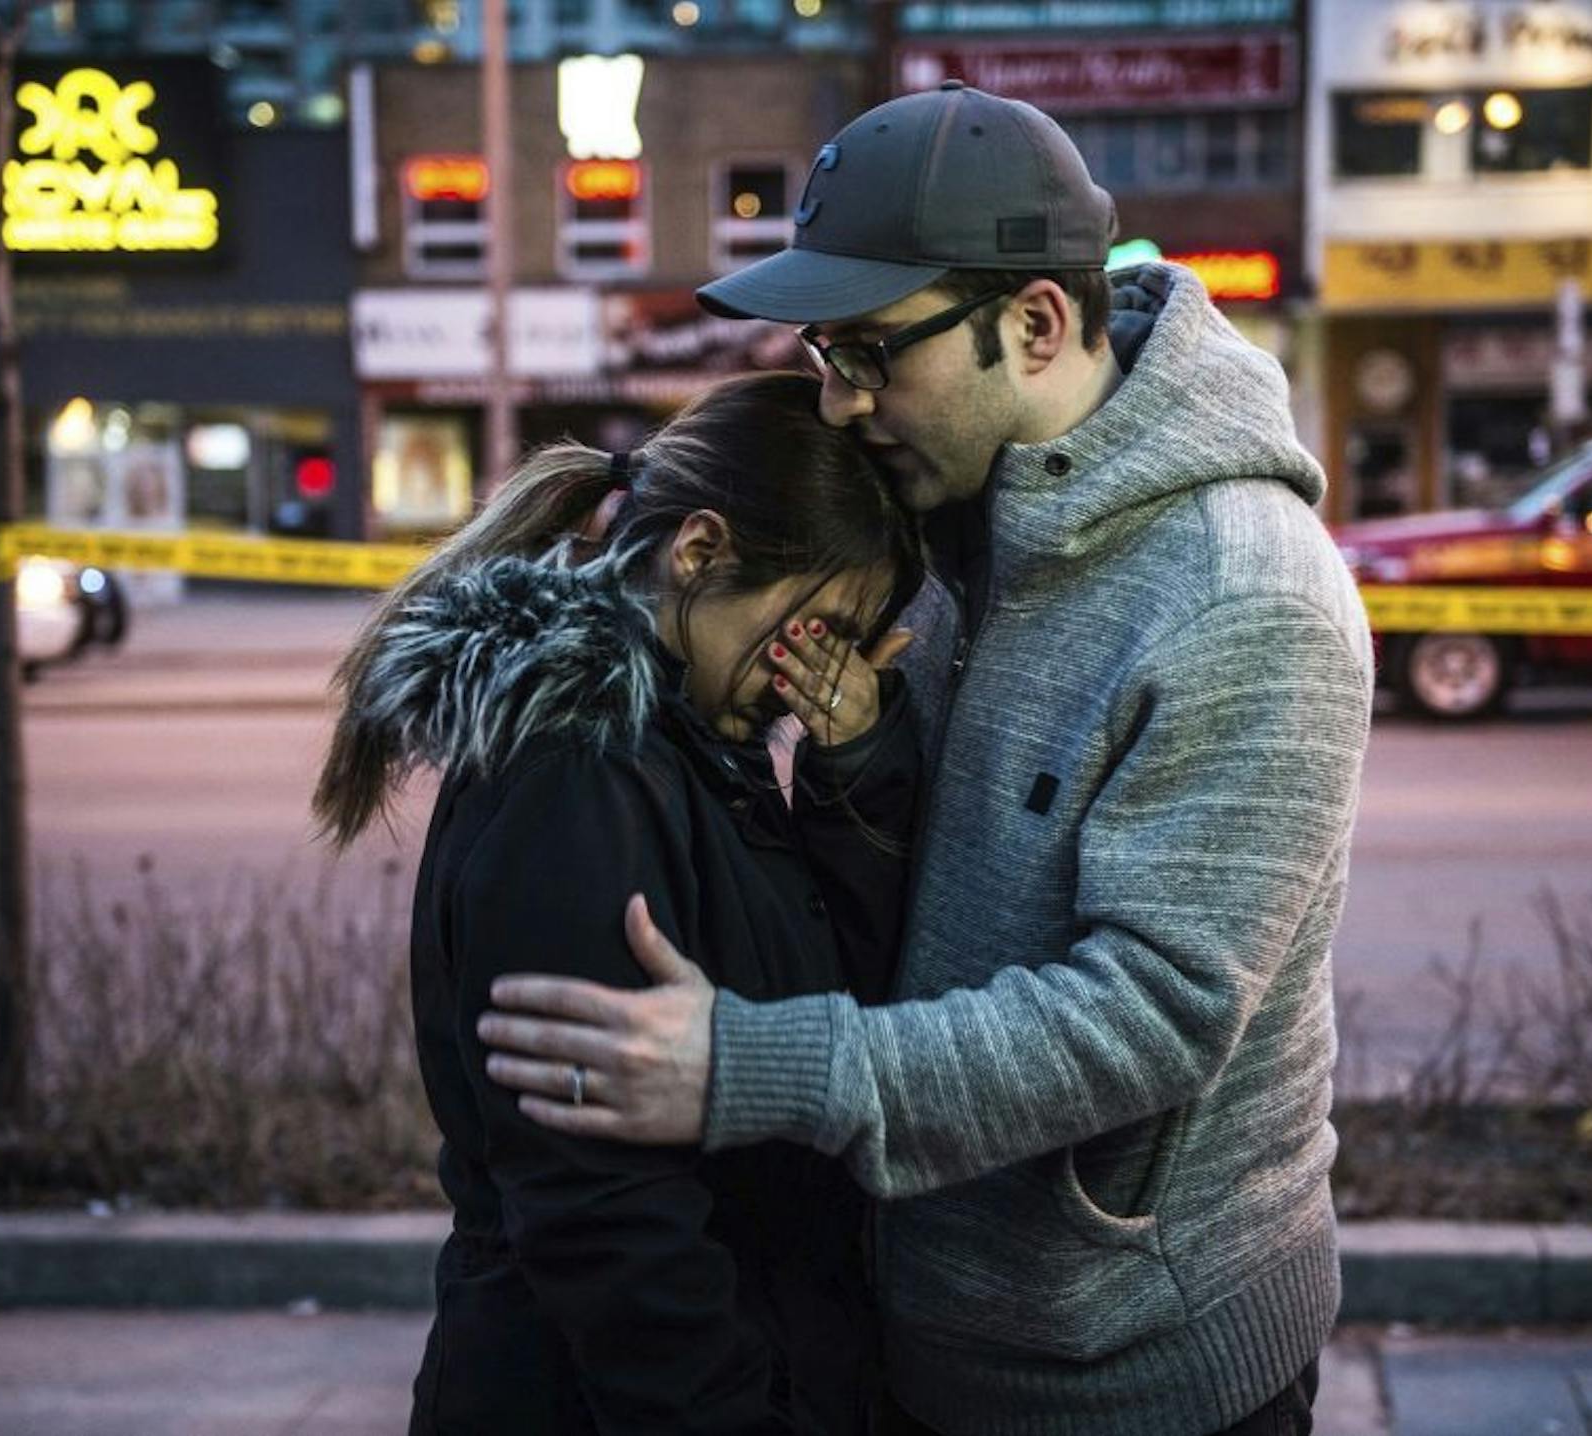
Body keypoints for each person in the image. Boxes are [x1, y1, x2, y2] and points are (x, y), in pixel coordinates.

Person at [476, 83, 1373, 1436]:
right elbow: (959, 880)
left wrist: (752, 1069)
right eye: (823, 353)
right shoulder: (961, 523)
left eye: (872, 352)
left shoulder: (1244, 597)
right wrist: (867, 761)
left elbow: (1150, 1016)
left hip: (1132, 1373)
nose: (838, 405)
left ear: (1037, 322)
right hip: (927, 1341)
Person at [313, 372, 925, 1434]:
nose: (810, 671)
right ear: (699, 552)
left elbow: (848, 991)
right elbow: (600, 1209)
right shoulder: (578, 774)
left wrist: (855, 768)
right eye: (817, 622)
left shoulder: (691, 751)